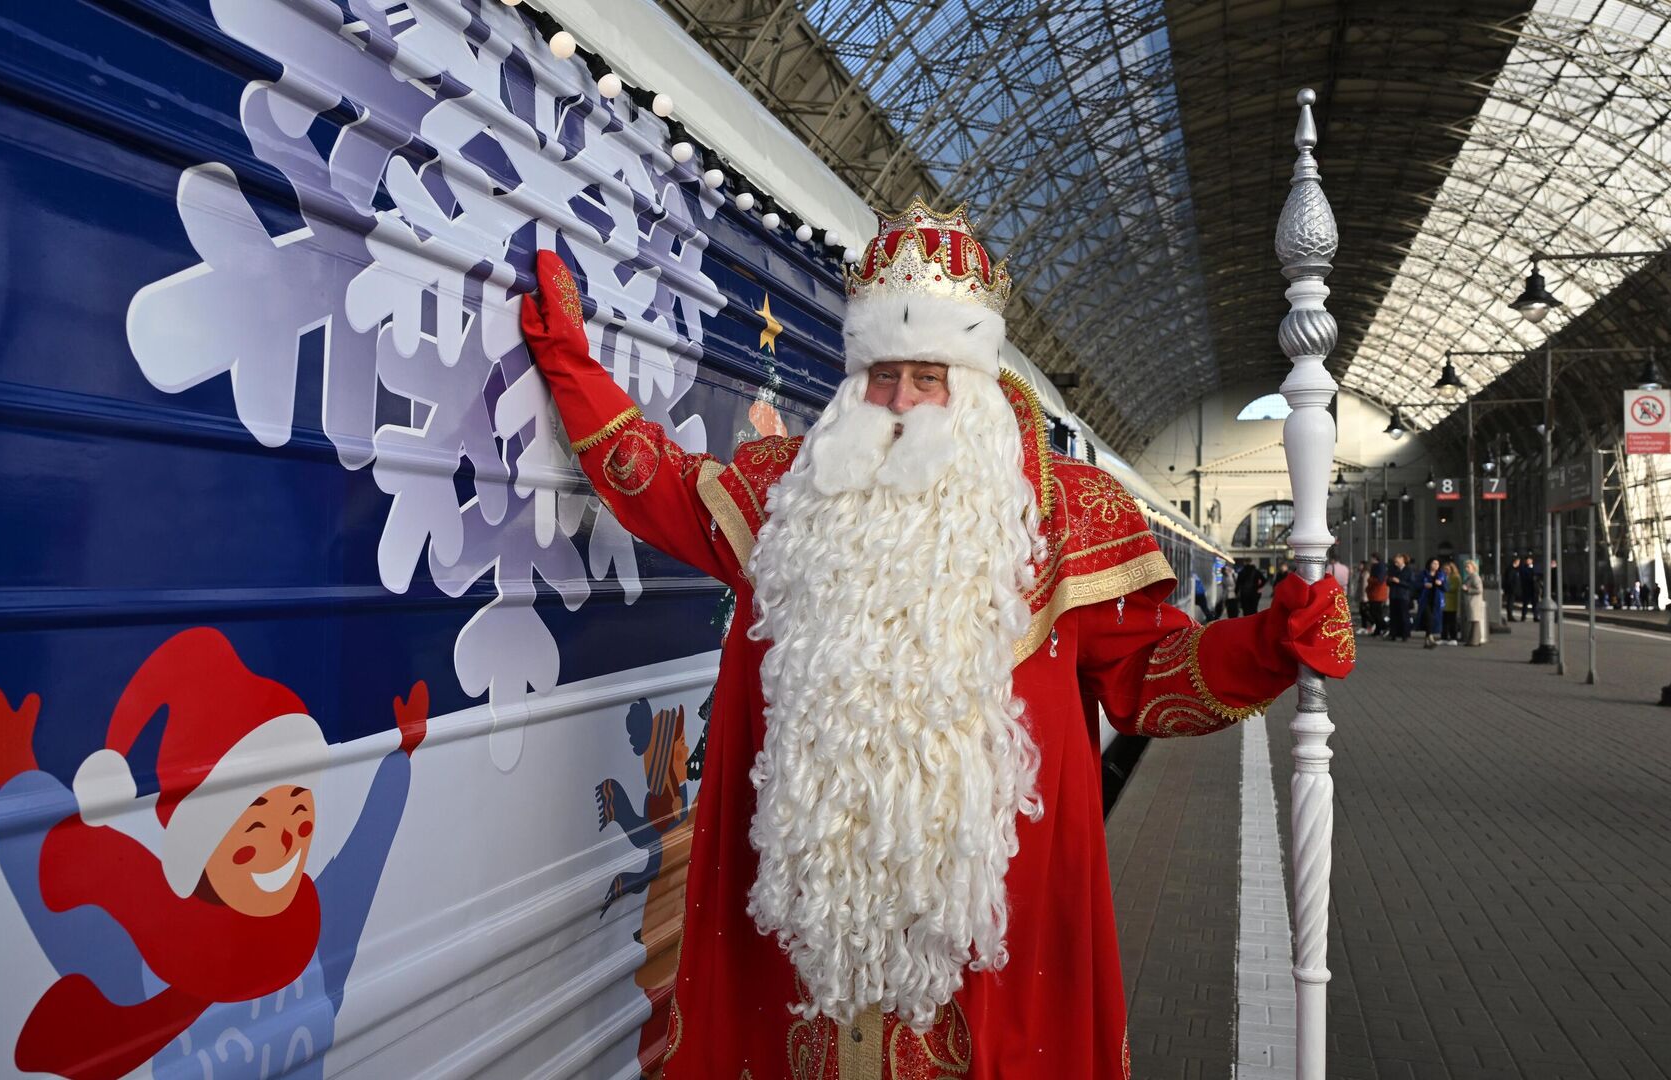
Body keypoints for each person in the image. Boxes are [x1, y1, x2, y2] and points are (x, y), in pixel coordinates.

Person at [516, 206, 1355, 1078]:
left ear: (979, 385)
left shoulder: (1067, 516)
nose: (904, 402)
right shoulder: (787, 499)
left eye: (929, 375)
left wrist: (1272, 642)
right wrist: (571, 366)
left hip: (989, 968)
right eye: (883, 376)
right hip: (798, 969)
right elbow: (654, 479)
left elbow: (1153, 678)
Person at [1420, 557, 1447, 649]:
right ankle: (1430, 638)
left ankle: (1427, 640)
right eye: (1434, 563)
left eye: (1437, 564)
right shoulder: (1423, 574)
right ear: (1430, 564)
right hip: (1426, 599)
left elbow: (1446, 588)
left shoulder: (1441, 575)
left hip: (1437, 600)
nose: (1435, 566)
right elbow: (1416, 584)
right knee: (1428, 618)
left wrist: (1440, 584)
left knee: (1433, 620)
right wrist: (1424, 585)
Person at [1386, 554, 1413, 642]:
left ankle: (1405, 635)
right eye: (1395, 562)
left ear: (1402, 560)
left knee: (1404, 616)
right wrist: (1390, 580)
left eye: (1397, 562)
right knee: (1393, 616)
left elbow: (1411, 584)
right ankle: (1393, 634)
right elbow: (1387, 582)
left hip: (1403, 596)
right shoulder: (1393, 570)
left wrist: (1399, 582)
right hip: (1394, 595)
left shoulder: (1408, 570)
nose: (1396, 563)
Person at [1462, 558, 1488, 645]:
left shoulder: (1475, 577)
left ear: (1473, 567)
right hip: (1471, 602)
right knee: (1473, 621)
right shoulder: (1470, 577)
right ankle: (1473, 640)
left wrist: (1468, 589)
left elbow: (1479, 590)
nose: (1466, 569)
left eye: (1468, 567)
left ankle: (1474, 641)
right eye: (1465, 567)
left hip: (1474, 602)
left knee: (1475, 621)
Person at [1363, 557, 1389, 636]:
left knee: (1375, 613)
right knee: (1376, 612)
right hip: (1376, 594)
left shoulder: (1378, 569)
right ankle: (1379, 629)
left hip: (1376, 594)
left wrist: (1369, 580)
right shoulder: (1381, 568)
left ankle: (1384, 627)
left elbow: (1377, 581)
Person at [1517, 556, 1538, 622]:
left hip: (1534, 589)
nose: (1528, 562)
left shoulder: (1535, 568)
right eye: (1527, 560)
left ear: (1532, 561)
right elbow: (1523, 577)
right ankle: (1523, 617)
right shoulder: (1523, 568)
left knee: (1535, 604)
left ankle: (1535, 616)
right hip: (1527, 588)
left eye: (1529, 560)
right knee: (1525, 604)